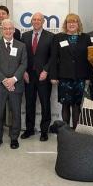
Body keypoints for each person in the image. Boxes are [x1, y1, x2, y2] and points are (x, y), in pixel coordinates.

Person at [0, 19, 27, 149]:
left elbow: (23, 64)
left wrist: (13, 79)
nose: (8, 31)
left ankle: (14, 138)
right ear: (1, 30)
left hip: (16, 85)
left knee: (15, 113)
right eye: (5, 29)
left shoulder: (21, 46)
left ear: (14, 30)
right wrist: (5, 80)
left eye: (10, 28)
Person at [50, 13, 93, 128]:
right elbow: (54, 58)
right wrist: (53, 76)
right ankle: (66, 131)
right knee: (65, 105)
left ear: (78, 24)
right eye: (69, 22)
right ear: (66, 24)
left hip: (80, 77)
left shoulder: (86, 38)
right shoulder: (58, 37)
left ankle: (75, 131)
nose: (72, 24)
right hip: (64, 77)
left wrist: (88, 77)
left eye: (74, 22)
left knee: (76, 106)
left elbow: (89, 59)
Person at [21, 12, 54, 141]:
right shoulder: (25, 36)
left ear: (43, 21)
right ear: (31, 21)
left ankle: (44, 131)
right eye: (34, 19)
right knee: (29, 103)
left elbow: (53, 56)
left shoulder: (51, 36)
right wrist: (23, 71)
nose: (36, 21)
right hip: (29, 75)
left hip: (43, 76)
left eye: (39, 19)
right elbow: (22, 56)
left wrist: (46, 70)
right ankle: (29, 129)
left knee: (45, 104)